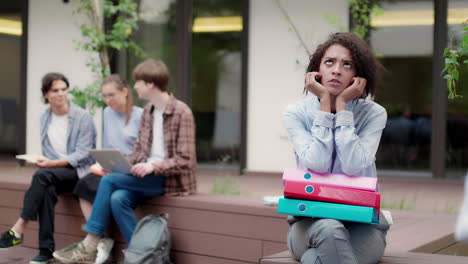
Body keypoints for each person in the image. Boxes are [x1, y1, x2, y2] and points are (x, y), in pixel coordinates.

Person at [53, 59, 197, 263]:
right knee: (118, 198)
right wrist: (119, 165)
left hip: (168, 179)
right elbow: (139, 151)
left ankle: (91, 242)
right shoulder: (149, 111)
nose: (135, 86)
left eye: (138, 82)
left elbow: (186, 160)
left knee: (109, 181)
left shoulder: (182, 112)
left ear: (150, 84)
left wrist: (153, 165)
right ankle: (141, 257)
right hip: (145, 173)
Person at [283, 32, 390, 264]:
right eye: (329, 62)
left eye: (347, 64)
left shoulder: (374, 114)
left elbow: (353, 165)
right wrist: (324, 106)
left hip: (362, 226)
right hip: (308, 223)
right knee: (329, 229)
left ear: (358, 75)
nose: (337, 70)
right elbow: (318, 163)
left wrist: (342, 109)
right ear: (317, 70)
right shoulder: (296, 113)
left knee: (316, 259)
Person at [0, 73, 96, 264]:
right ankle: (45, 251)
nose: (60, 94)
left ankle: (19, 227)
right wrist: (45, 161)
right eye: (55, 90)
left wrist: (51, 164)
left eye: (63, 89)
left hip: (79, 172)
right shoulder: (45, 117)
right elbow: (49, 153)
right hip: (55, 174)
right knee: (45, 190)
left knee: (42, 176)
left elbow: (83, 154)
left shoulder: (82, 117)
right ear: (46, 94)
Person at [72, 74, 143, 263]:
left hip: (133, 170)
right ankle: (103, 239)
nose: (107, 100)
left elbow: (143, 151)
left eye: (111, 95)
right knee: (83, 185)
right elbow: (108, 144)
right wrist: (102, 162)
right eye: (104, 96)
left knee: (112, 192)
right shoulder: (107, 113)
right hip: (111, 167)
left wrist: (125, 164)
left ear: (125, 92)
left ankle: (94, 241)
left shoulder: (140, 116)